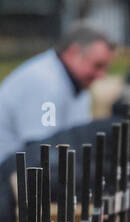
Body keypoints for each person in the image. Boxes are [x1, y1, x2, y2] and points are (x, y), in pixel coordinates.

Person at [0, 26, 115, 160]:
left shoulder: (76, 82)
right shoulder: (44, 81)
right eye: (97, 66)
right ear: (74, 53)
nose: (101, 75)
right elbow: (41, 150)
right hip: (9, 170)